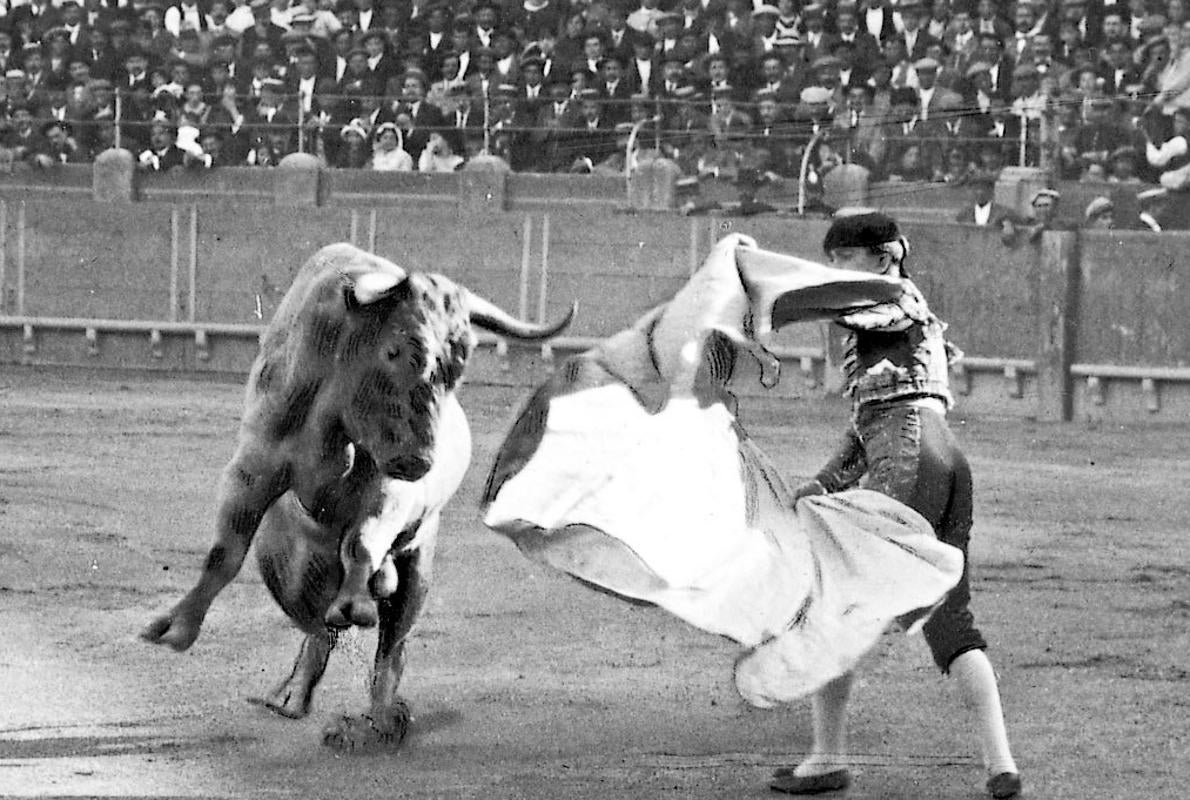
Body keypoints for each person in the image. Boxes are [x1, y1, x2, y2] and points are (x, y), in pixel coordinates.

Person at [773, 210, 1023, 800]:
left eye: (845, 260)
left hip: (908, 457)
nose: (836, 272)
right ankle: (1001, 767)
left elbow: (887, 416)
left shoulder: (892, 297)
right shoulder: (912, 317)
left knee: (832, 599)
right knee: (949, 619)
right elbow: (876, 423)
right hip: (945, 462)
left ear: (884, 256)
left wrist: (762, 298)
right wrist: (825, 481)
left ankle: (826, 758)